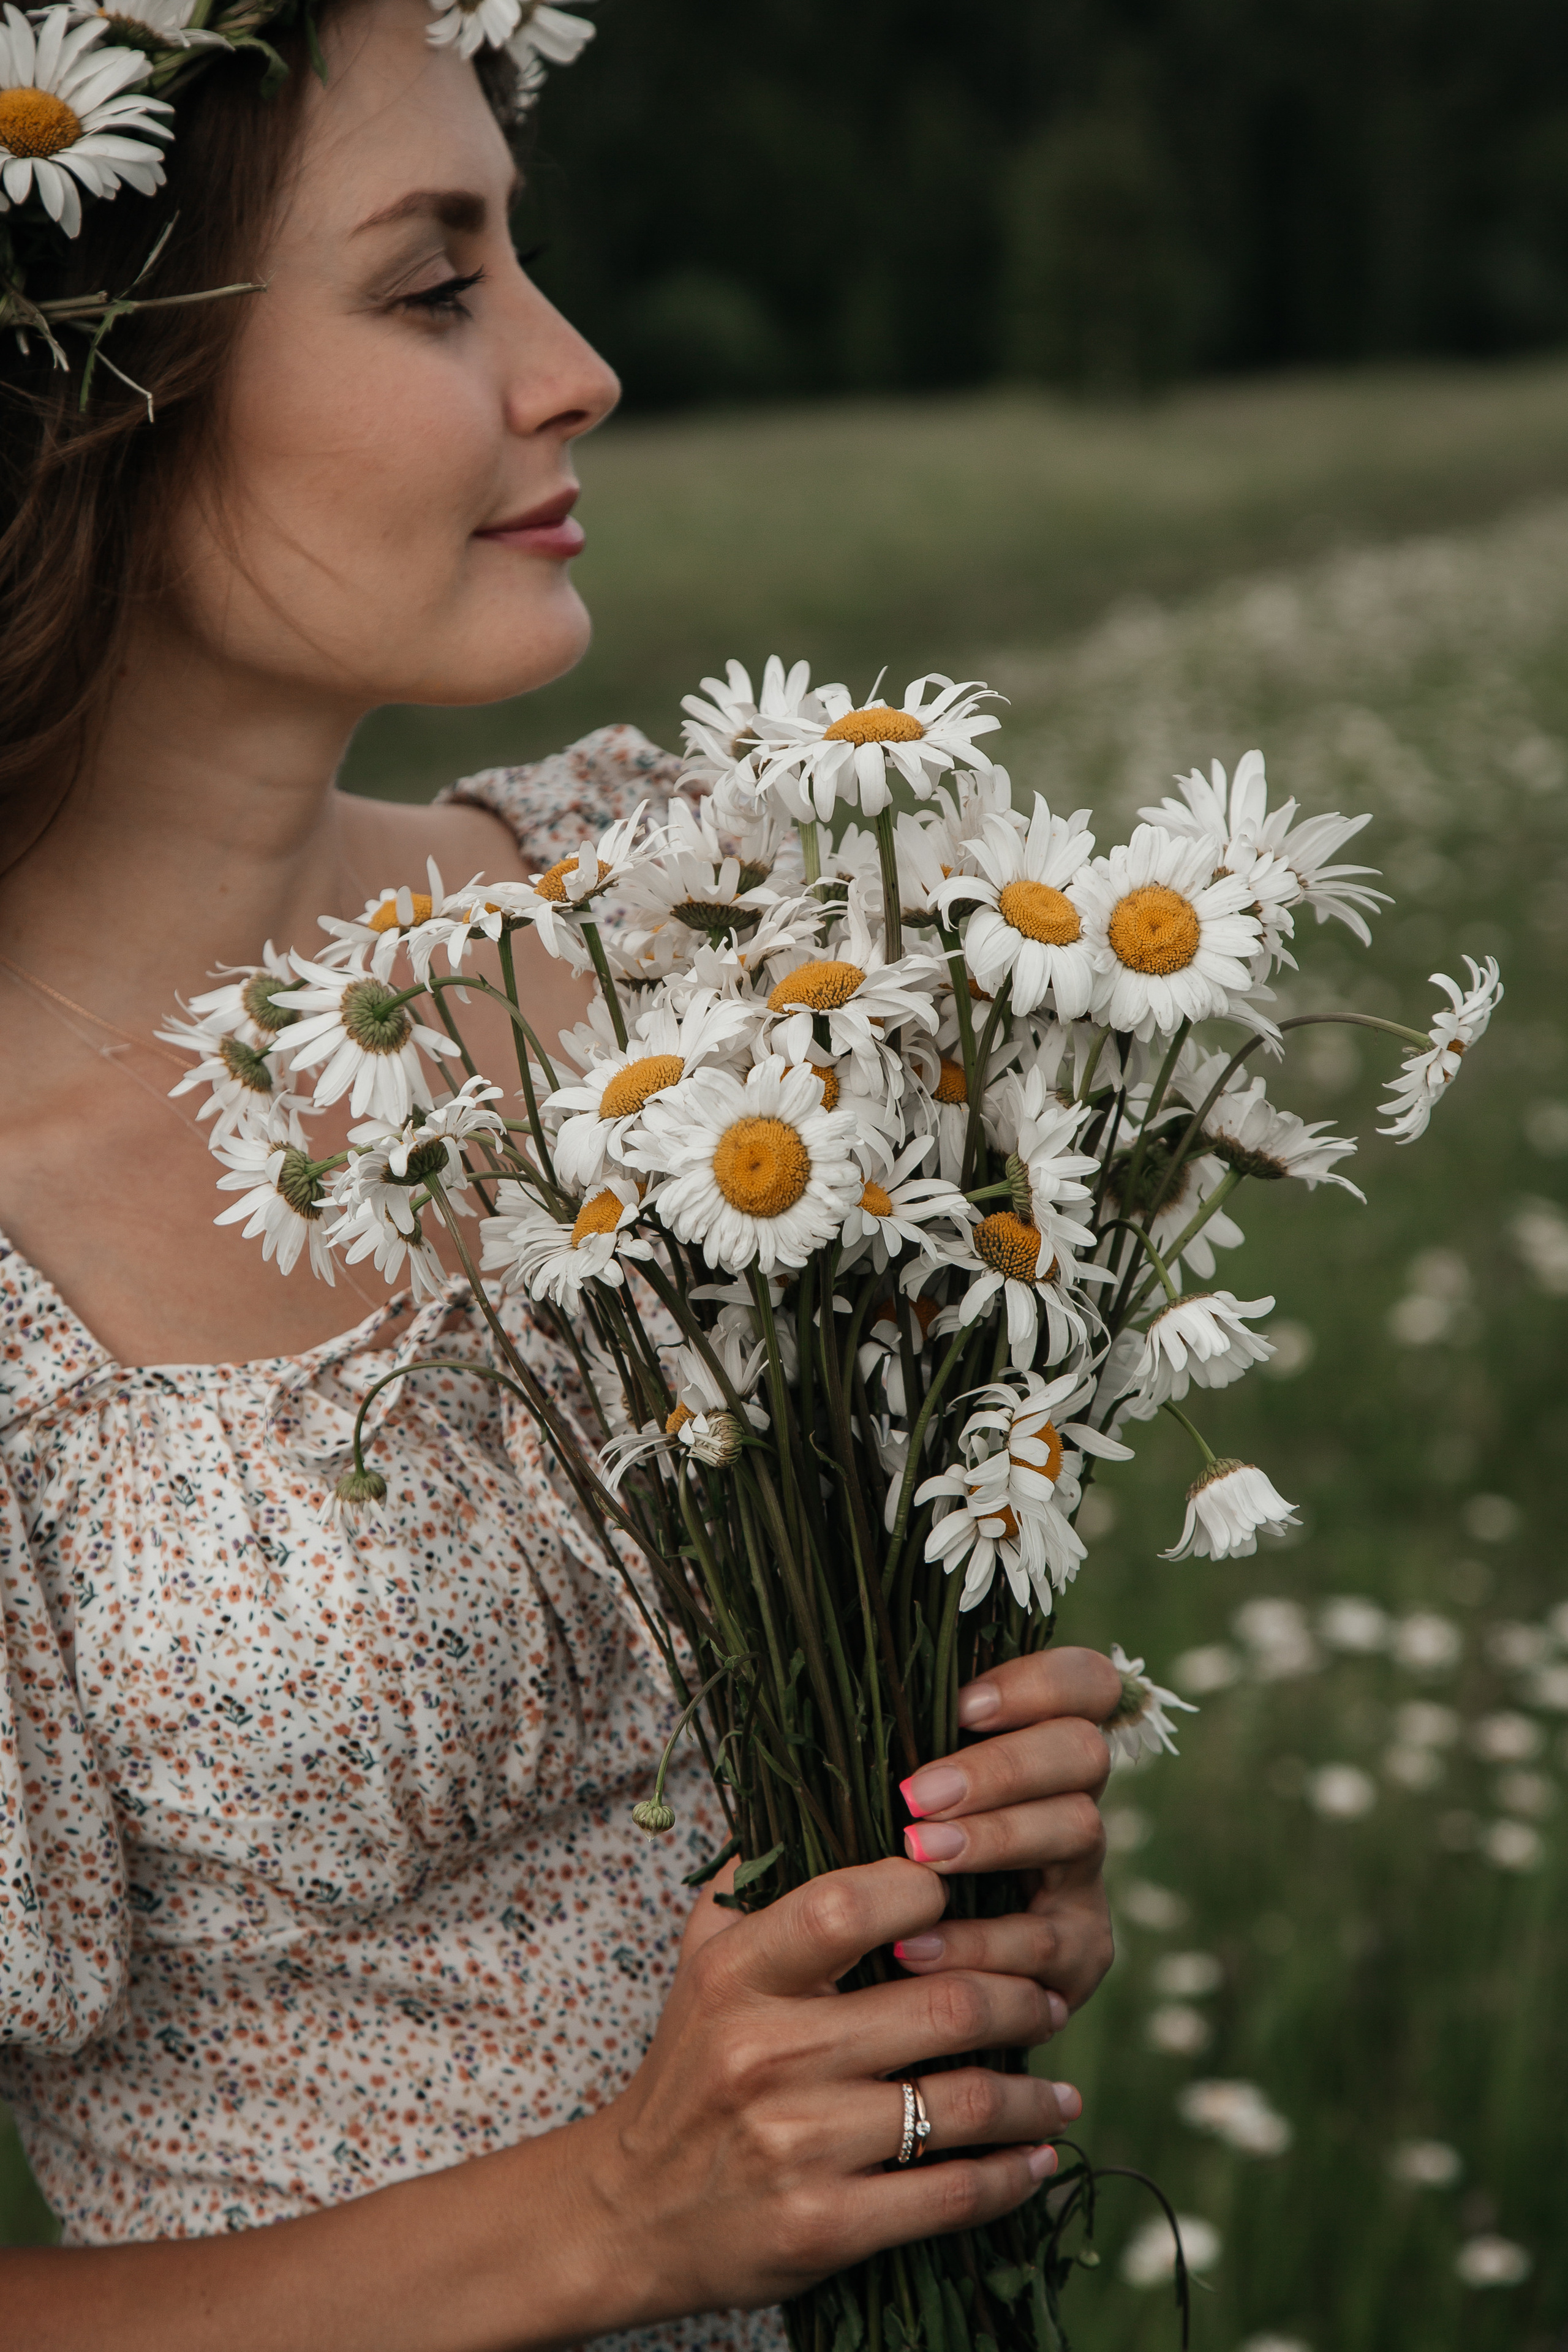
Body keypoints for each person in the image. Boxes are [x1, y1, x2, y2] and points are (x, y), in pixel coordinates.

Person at [0, 2, 1120, 2342]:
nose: (578, 366)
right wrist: (623, 2214)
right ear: (91, 390)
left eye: (525, 259)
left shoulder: (673, 936)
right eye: (435, 287)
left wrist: (963, 1846)